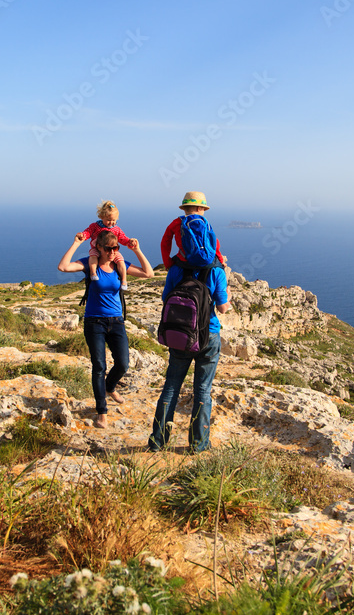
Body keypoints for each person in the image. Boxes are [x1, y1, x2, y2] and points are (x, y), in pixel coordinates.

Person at [149, 193, 231, 453]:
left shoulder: (175, 270)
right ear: (203, 210)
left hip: (181, 336)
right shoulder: (216, 270)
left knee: (171, 387)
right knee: (202, 392)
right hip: (209, 336)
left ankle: (158, 442)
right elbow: (222, 307)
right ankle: (198, 445)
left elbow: (166, 299)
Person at [58, 230, 153, 428]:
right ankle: (102, 411)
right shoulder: (89, 263)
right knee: (99, 366)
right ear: (99, 248)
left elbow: (148, 273)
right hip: (94, 322)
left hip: (116, 321)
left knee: (124, 364)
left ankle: (110, 387)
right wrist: (76, 243)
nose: (112, 252)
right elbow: (63, 267)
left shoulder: (120, 266)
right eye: (108, 248)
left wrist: (137, 250)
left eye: (115, 248)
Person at [77, 200, 138, 290]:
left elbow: (123, 238)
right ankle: (93, 273)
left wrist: (130, 242)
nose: (111, 222)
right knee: (93, 256)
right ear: (102, 217)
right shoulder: (95, 226)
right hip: (96, 248)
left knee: (121, 261)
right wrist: (83, 236)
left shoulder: (116, 229)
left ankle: (124, 280)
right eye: (108, 220)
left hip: (112, 251)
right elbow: (88, 232)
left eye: (114, 220)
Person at [160, 191, 227, 269]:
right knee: (220, 276)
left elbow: (165, 243)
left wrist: (167, 263)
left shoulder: (176, 222)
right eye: (204, 209)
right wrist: (221, 261)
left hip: (184, 262)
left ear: (184, 208)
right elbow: (215, 243)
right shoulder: (204, 222)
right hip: (206, 263)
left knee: (171, 279)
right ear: (199, 208)